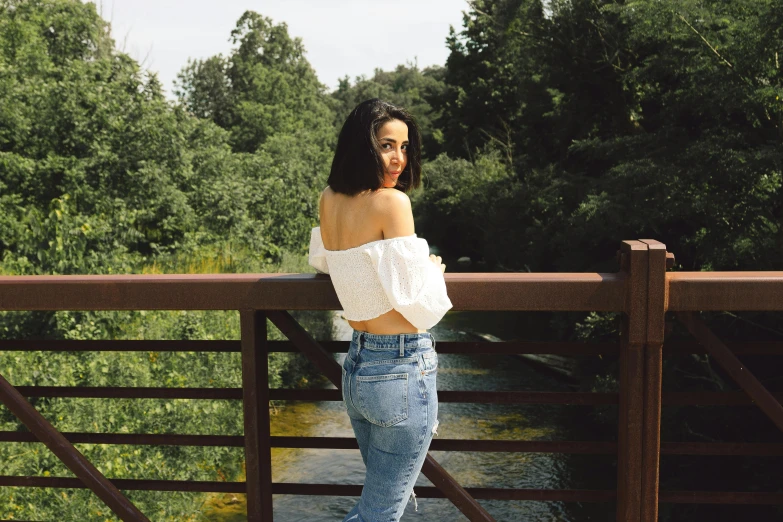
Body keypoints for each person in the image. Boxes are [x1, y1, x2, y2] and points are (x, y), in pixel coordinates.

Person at [308, 98, 453, 521]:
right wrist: (432, 269)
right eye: (387, 145)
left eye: (405, 147)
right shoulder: (393, 204)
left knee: (388, 499)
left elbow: (325, 262)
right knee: (379, 512)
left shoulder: (329, 198)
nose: (399, 160)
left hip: (357, 365)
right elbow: (420, 304)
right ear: (362, 145)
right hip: (402, 364)